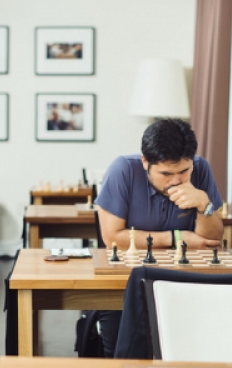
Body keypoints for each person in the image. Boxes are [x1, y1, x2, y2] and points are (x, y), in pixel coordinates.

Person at [94, 118, 224, 355]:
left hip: (184, 282)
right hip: (124, 283)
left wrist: (203, 204)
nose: (176, 180)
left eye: (184, 171)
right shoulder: (123, 170)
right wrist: (176, 238)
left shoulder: (201, 169)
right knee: (122, 357)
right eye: (166, 173)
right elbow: (112, 238)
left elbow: (211, 240)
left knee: (192, 352)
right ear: (145, 162)